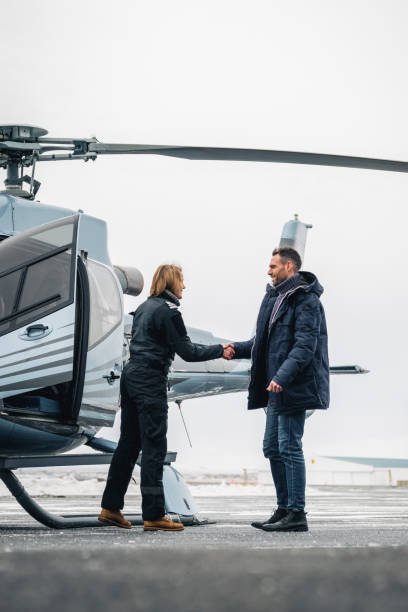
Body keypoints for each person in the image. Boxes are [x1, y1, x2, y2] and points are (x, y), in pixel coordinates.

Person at [99, 264, 233, 532]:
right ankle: (154, 514)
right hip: (150, 380)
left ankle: (110, 508)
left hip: (131, 375)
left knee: (128, 444)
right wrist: (221, 350)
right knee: (153, 447)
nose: (184, 286)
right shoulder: (169, 313)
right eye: (182, 281)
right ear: (172, 282)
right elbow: (188, 351)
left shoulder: (143, 309)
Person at [225, 247, 329, 532]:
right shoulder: (274, 298)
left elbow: (304, 346)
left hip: (294, 386)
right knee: (271, 447)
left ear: (289, 268)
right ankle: (284, 509)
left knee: (289, 446)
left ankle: (297, 514)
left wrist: (282, 376)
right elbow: (263, 341)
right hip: (275, 388)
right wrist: (238, 349)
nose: (268, 270)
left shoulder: (306, 300)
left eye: (273, 266)